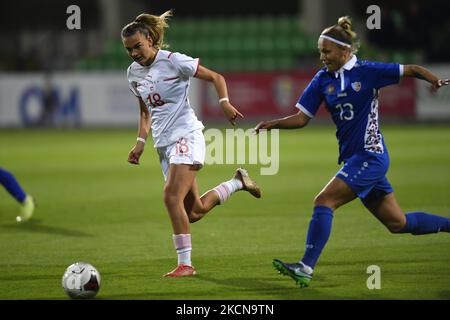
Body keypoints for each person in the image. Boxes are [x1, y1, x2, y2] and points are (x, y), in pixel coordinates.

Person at [254, 16, 450, 288]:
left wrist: (433, 80)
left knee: (324, 201)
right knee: (398, 223)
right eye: (320, 51)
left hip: (370, 156)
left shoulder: (368, 71)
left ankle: (305, 267)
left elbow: (410, 69)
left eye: (326, 51)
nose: (322, 56)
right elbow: (302, 118)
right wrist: (272, 124)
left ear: (344, 51)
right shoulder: (322, 79)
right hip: (356, 160)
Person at [121, 10, 261, 277]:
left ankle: (185, 264)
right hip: (163, 145)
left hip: (186, 136)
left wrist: (224, 103)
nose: (134, 53)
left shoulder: (174, 61)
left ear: (150, 39)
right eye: (129, 50)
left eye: (137, 46)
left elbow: (215, 77)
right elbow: (144, 111)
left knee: (170, 196)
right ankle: (238, 182)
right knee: (194, 211)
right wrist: (140, 142)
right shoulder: (133, 74)